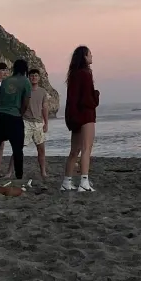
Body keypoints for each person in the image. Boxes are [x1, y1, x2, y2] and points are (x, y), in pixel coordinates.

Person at [0, 59, 32, 180]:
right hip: (15, 117)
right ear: (25, 69)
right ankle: (19, 176)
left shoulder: (6, 81)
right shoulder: (25, 81)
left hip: (1, 115)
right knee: (17, 148)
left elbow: (0, 100)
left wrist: (1, 111)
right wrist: (20, 113)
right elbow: (26, 102)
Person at [61, 46, 100, 192]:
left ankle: (67, 181)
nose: (92, 56)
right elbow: (88, 99)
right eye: (90, 54)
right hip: (86, 114)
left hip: (74, 115)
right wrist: (96, 95)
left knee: (74, 151)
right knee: (86, 149)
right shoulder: (85, 74)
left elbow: (73, 98)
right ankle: (84, 181)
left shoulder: (73, 74)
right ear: (84, 57)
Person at [23, 68, 50, 179]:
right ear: (28, 77)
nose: (34, 77)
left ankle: (43, 172)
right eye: (32, 76)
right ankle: (10, 172)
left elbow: (45, 108)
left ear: (39, 78)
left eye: (35, 76)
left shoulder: (43, 92)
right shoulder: (24, 91)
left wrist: (46, 123)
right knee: (18, 148)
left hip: (38, 123)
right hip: (26, 122)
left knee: (41, 149)